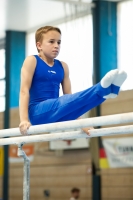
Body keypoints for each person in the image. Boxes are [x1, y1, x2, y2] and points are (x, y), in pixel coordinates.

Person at [19, 26, 127, 135]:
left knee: (73, 101)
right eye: (51, 42)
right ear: (39, 45)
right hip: (38, 114)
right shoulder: (32, 61)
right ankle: (101, 89)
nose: (56, 46)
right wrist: (24, 120)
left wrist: (80, 123)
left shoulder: (63, 66)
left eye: (59, 42)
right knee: (63, 101)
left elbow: (71, 101)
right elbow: (24, 91)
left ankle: (108, 92)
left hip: (58, 114)